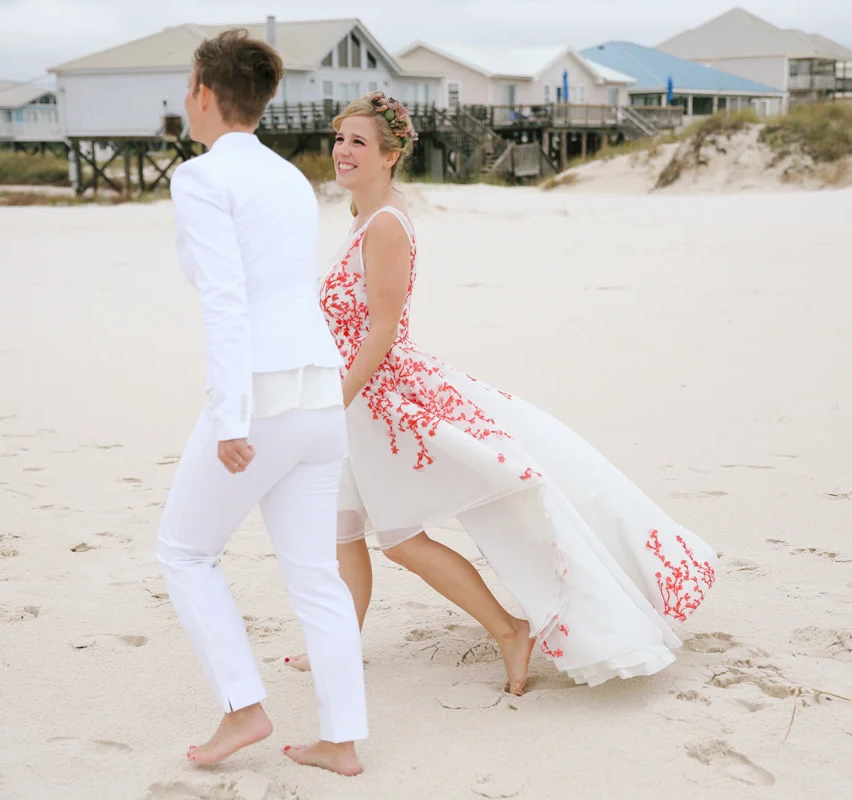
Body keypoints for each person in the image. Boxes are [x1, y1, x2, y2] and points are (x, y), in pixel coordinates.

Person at [288, 92, 718, 694]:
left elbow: (384, 328)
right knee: (341, 530)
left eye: (358, 142)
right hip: (357, 397)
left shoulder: (385, 225)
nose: (343, 151)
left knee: (402, 541)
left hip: (379, 400)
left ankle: (510, 629)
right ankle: (335, 647)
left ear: (390, 155)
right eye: (339, 140)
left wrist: (336, 400)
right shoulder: (366, 216)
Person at [155, 30, 365, 776]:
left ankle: (244, 705)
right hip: (318, 394)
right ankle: (341, 741)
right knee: (314, 574)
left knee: (184, 551)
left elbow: (225, 301)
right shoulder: (289, 179)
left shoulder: (202, 178)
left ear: (207, 94)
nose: (186, 97)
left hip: (262, 396)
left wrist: (230, 416)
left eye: (189, 85)